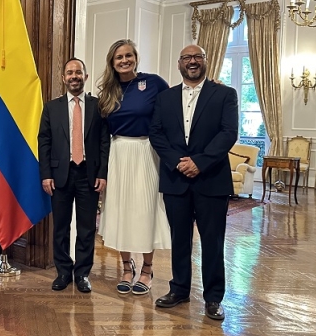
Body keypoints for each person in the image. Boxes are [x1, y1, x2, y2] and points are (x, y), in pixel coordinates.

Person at [149, 44, 238, 321]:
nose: (192, 61)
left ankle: (213, 298)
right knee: (179, 239)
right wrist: (178, 161)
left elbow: (228, 133)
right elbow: (156, 133)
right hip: (176, 179)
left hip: (211, 179)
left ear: (206, 61)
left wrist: (200, 162)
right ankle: (179, 290)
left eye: (197, 56)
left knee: (213, 241)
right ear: (179, 64)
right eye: (187, 57)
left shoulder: (225, 94)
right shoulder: (165, 98)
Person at [96, 39, 171, 295]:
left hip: (146, 153)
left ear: (136, 58)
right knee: (121, 212)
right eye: (119, 57)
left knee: (145, 211)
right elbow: (103, 135)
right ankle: (127, 268)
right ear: (112, 62)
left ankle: (148, 270)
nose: (124, 60)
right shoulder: (107, 90)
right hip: (118, 153)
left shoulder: (153, 83)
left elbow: (176, 105)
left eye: (128, 55)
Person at [38, 58, 109, 293]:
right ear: (63, 77)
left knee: (87, 227)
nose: (74, 76)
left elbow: (103, 142)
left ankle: (82, 274)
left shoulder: (98, 106)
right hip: (60, 175)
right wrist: (46, 174)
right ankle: (63, 271)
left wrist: (102, 173)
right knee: (61, 226)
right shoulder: (51, 107)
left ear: (85, 77)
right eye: (70, 72)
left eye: (78, 72)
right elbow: (44, 141)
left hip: (89, 174)